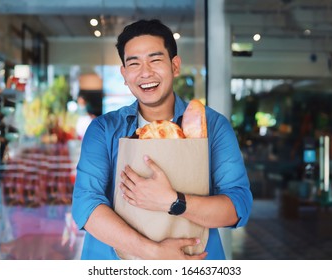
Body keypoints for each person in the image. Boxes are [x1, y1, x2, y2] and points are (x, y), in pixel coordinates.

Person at [72, 19, 252, 260]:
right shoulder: (103, 129)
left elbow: (237, 207)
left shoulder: (212, 126)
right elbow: (86, 206)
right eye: (133, 63)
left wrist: (173, 201)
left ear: (175, 66)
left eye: (155, 60)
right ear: (124, 74)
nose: (145, 72)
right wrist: (155, 252)